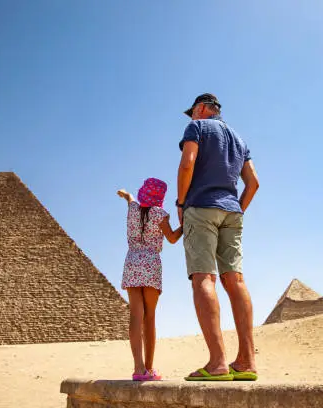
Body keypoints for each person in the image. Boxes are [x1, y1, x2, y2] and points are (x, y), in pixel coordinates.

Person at [177, 93, 260, 381]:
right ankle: (247, 360)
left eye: (193, 112)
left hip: (201, 207)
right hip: (232, 211)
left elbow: (187, 163)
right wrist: (237, 209)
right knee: (235, 280)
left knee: (204, 278)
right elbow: (254, 183)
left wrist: (180, 204)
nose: (192, 117)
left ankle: (217, 362)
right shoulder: (239, 139)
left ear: (201, 109)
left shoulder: (197, 128)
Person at [117, 178, 183, 381]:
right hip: (151, 264)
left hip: (132, 262)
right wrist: (185, 224)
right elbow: (171, 238)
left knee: (136, 315)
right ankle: (150, 368)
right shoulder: (159, 214)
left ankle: (138, 369)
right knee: (150, 317)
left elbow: (130, 199)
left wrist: (126, 194)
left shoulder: (133, 209)